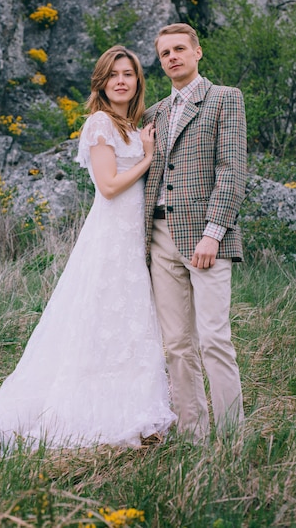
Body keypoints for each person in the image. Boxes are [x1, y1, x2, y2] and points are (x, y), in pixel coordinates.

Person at [0, 46, 176, 457]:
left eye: (129, 74)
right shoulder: (100, 123)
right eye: (113, 74)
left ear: (138, 81)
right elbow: (110, 186)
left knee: (127, 322)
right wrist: (149, 157)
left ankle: (134, 407)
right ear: (101, 82)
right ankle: (87, 412)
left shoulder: (134, 127)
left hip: (132, 240)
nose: (122, 80)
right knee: (102, 318)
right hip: (109, 238)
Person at [144, 23, 247, 443]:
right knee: (176, 345)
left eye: (180, 49)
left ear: (197, 52)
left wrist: (213, 233)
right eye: (165, 52)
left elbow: (232, 169)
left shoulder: (225, 99)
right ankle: (193, 436)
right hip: (159, 238)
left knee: (215, 338)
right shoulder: (153, 114)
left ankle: (232, 436)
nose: (172, 57)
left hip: (207, 237)